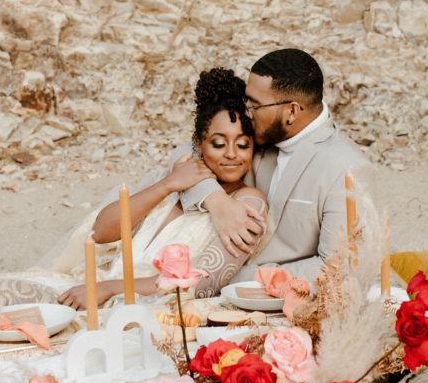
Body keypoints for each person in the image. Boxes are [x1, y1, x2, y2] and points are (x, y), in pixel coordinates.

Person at [54, 68, 268, 310]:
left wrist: (110, 288)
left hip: (154, 309)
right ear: (198, 144)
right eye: (218, 143)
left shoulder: (249, 203)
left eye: (242, 144)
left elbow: (202, 282)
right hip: (96, 287)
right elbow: (101, 232)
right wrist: (167, 185)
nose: (231, 154)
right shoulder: (171, 180)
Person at [178, 48, 371, 282]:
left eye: (254, 105)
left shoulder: (346, 167)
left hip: (273, 298)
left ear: (292, 111)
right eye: (245, 100)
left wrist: (233, 277)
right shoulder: (261, 132)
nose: (246, 113)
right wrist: (216, 201)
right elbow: (185, 152)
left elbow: (335, 266)